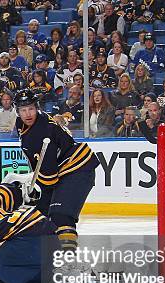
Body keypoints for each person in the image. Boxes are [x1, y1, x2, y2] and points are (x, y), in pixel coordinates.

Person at [14, 89, 100, 251]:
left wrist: (34, 194)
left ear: (37, 107)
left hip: (77, 169)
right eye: (23, 110)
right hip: (64, 170)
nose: (28, 114)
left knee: (61, 215)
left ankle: (68, 261)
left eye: (31, 108)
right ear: (17, 111)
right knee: (40, 217)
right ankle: (47, 257)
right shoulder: (23, 124)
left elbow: (49, 179)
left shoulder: (41, 132)